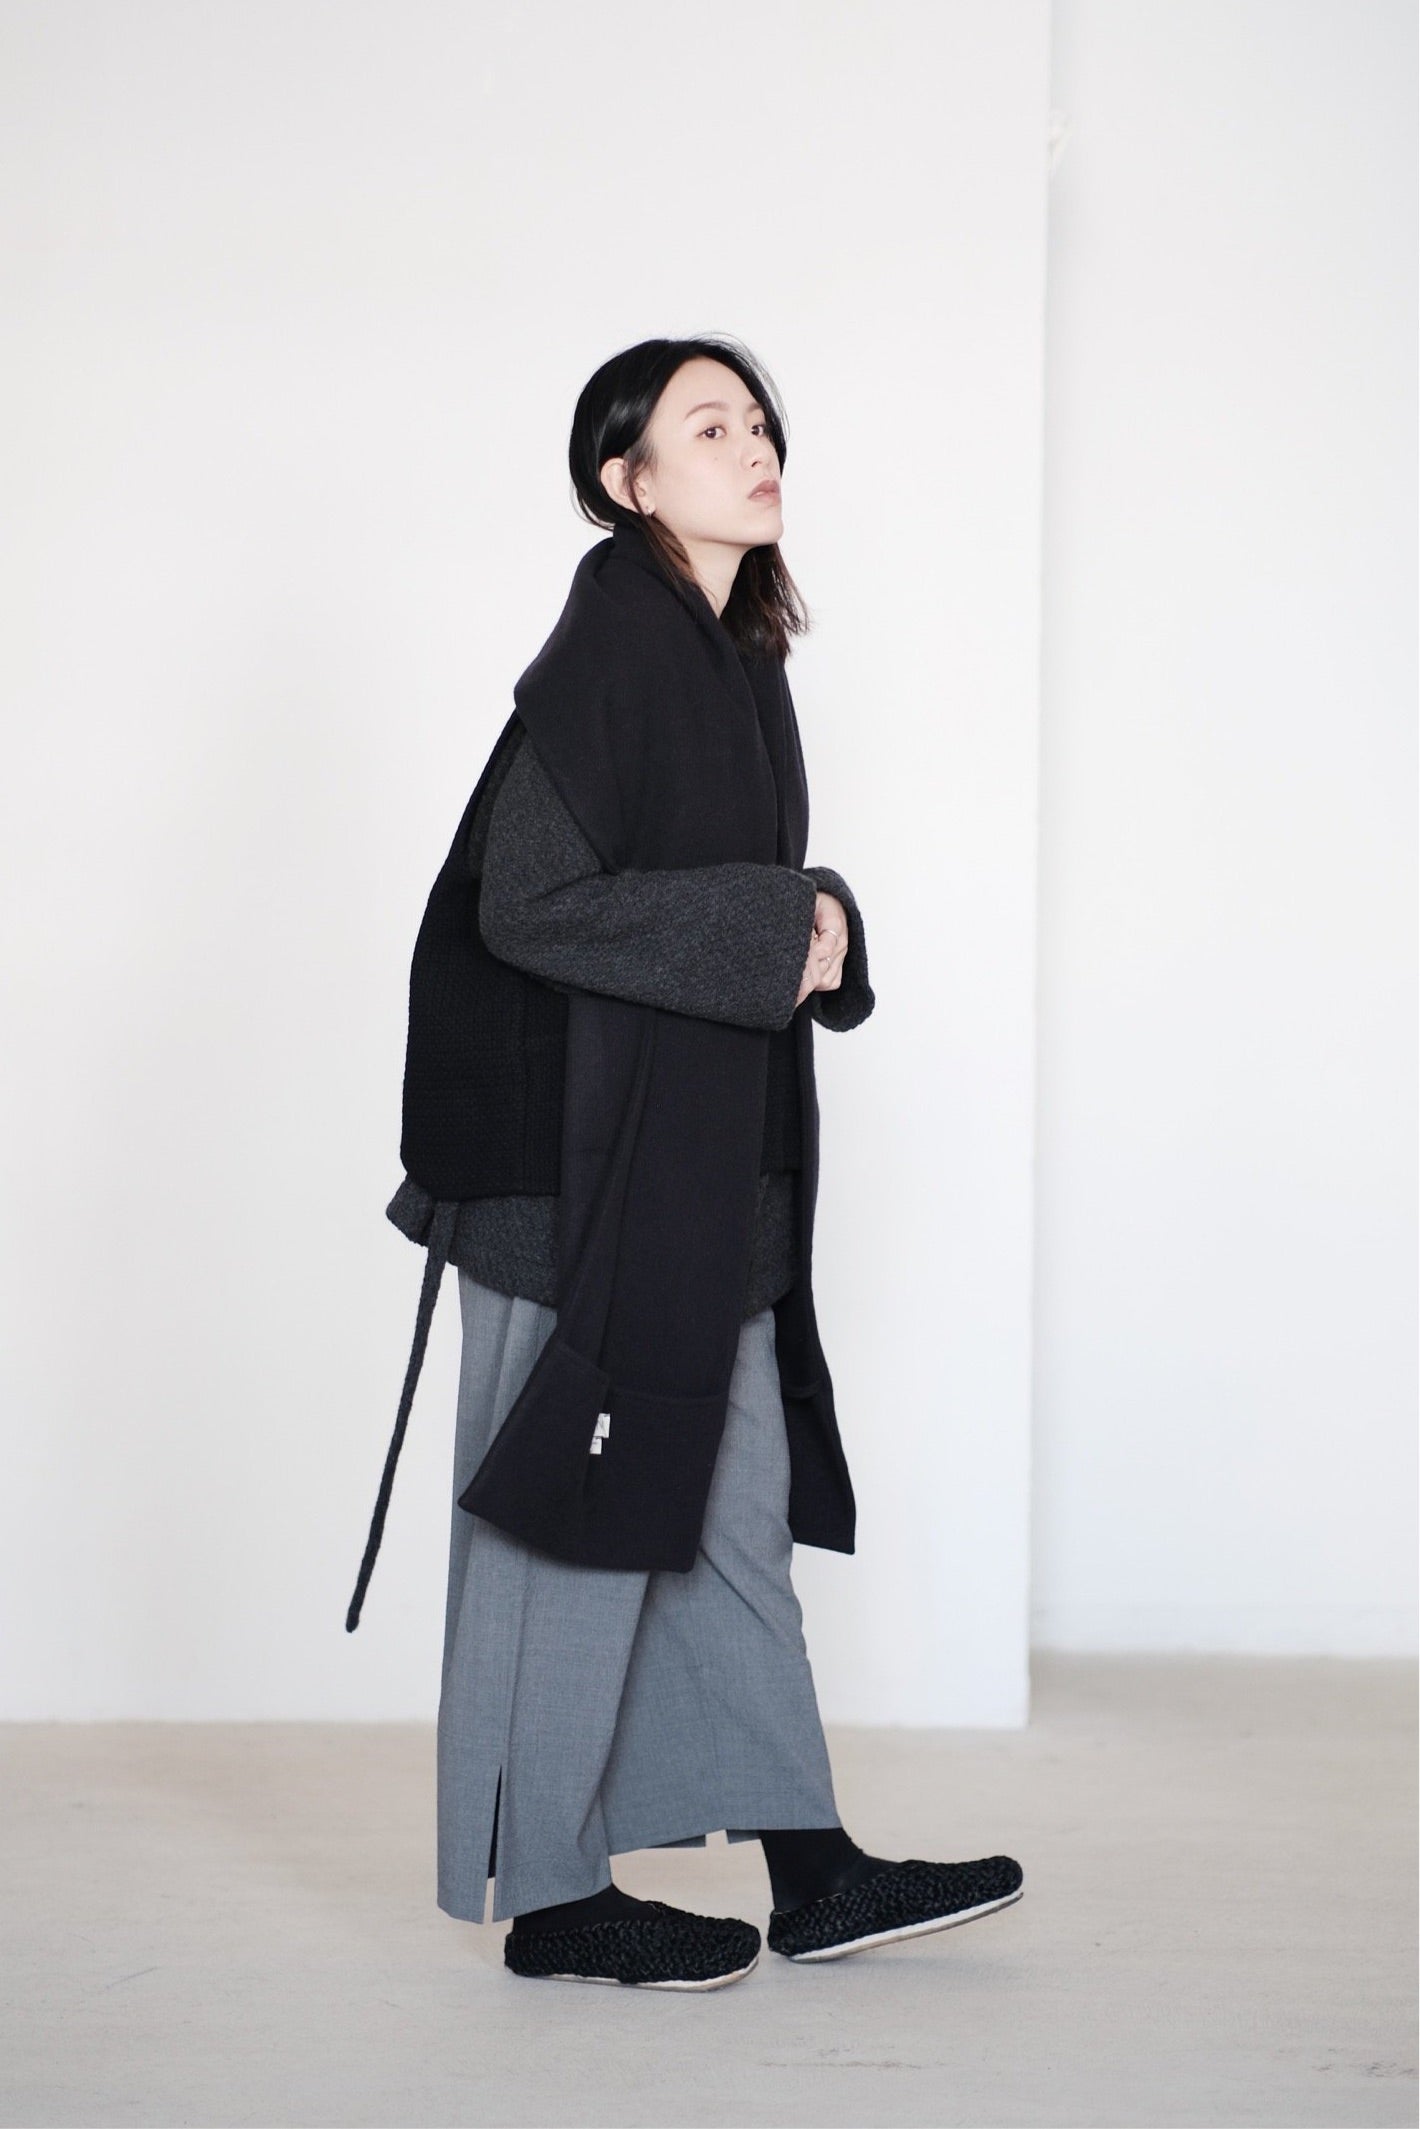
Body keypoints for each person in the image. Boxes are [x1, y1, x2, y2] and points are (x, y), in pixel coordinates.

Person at [356, 334, 1024, 1989]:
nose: (754, 443)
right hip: (568, 1176)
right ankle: (552, 1894)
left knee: (730, 1512)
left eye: (760, 420)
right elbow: (526, 905)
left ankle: (814, 1867)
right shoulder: (610, 643)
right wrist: (776, 920)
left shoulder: (732, 657)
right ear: (627, 478)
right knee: (559, 1521)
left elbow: (717, 904)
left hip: (693, 1165)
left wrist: (819, 921)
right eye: (707, 424)